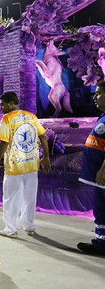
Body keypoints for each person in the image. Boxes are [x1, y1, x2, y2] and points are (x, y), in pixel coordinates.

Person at [0, 91, 50, 238]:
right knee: (30, 195)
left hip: (14, 165)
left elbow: (4, 142)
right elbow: (43, 137)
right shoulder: (31, 116)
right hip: (31, 163)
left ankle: (10, 229)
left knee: (11, 196)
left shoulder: (8, 118)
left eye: (3, 105)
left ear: (11, 103)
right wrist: (46, 157)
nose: (1, 108)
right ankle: (29, 225)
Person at [77, 80, 105, 255]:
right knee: (101, 210)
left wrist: (103, 168)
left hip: (102, 174)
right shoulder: (102, 117)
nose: (95, 98)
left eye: (98, 94)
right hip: (98, 178)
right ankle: (101, 243)